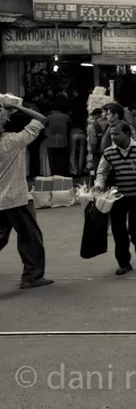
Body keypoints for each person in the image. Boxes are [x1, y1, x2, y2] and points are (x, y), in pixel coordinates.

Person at [0, 97, 54, 289]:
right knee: (30, 238)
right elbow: (41, 118)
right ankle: (32, 275)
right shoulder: (13, 141)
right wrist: (15, 106)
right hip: (15, 198)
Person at [94, 122, 136, 275]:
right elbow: (102, 173)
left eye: (116, 134)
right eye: (111, 134)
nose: (113, 137)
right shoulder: (109, 153)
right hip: (117, 198)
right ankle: (124, 262)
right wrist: (98, 185)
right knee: (119, 232)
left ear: (127, 134)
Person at [101, 102, 136, 231]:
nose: (105, 116)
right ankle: (112, 224)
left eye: (108, 114)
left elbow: (133, 144)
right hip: (113, 164)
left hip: (129, 164)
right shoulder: (110, 128)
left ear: (115, 115)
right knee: (113, 194)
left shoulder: (126, 128)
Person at [45, 102, 72, 177]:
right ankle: (63, 175)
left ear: (52, 110)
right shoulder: (66, 117)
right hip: (63, 141)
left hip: (51, 142)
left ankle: (54, 175)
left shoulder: (48, 117)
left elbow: (42, 125)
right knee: (62, 159)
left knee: (52, 161)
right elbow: (70, 125)